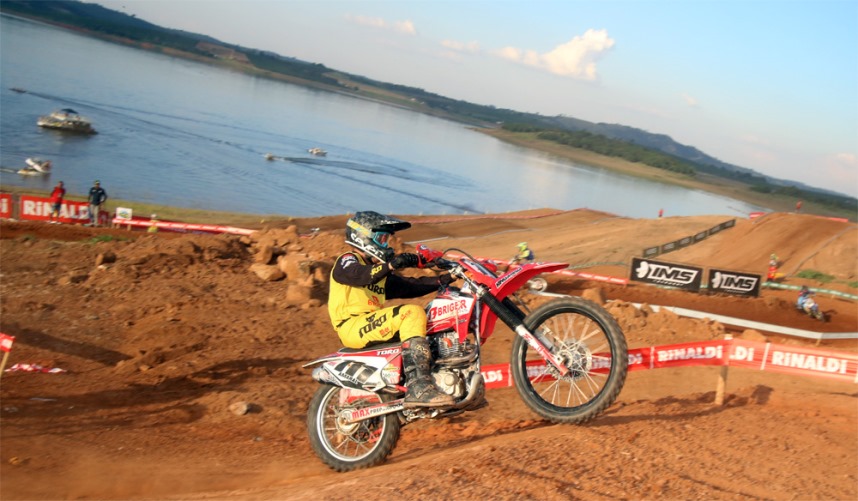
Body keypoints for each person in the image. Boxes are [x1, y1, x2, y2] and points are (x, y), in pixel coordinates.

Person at [328, 211, 455, 408]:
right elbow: (361, 276)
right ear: (363, 236)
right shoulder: (348, 260)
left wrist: (444, 279)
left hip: (369, 324)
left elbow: (410, 286)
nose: (386, 245)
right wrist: (391, 264)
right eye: (382, 238)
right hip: (351, 325)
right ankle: (419, 387)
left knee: (429, 320)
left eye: (388, 239)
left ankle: (429, 380)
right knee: (411, 313)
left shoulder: (378, 273)